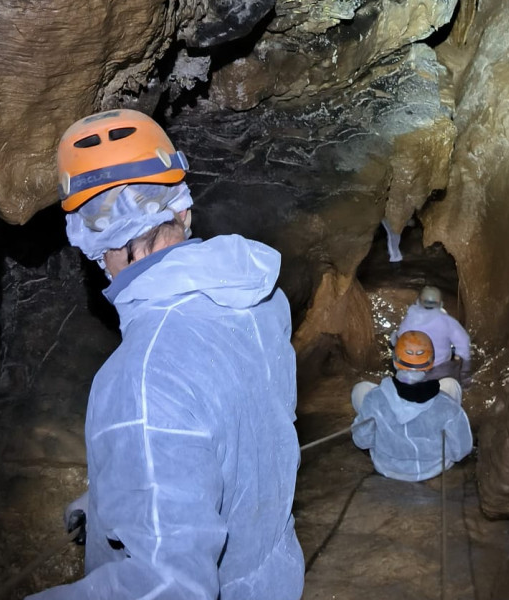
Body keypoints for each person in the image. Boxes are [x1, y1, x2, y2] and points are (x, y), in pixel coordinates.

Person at [27, 109, 304, 599]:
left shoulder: (136, 381)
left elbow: (170, 588)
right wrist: (113, 495)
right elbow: (233, 442)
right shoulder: (262, 302)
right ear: (183, 210)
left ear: (88, 243)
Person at [351, 330, 473, 482]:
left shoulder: (374, 399)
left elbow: (362, 440)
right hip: (433, 468)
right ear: (430, 363)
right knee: (451, 384)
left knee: (361, 389)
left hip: (388, 467)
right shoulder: (446, 404)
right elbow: (461, 450)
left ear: (395, 361)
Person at [391, 285, 472, 387]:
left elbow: (399, 338)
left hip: (410, 366)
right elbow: (464, 342)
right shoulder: (447, 321)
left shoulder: (410, 317)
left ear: (418, 301)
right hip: (439, 367)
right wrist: (464, 368)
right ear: (441, 304)